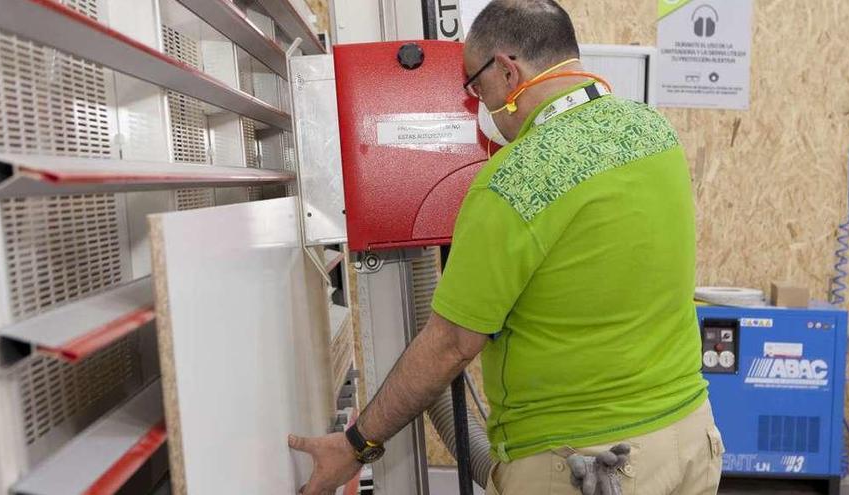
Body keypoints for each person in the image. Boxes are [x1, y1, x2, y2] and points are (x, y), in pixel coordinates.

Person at [289, 1, 724, 493]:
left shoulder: (515, 180)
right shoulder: (653, 131)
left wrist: (355, 445)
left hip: (591, 462)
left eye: (477, 87)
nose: (480, 106)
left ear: (506, 69)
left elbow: (452, 344)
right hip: (690, 437)